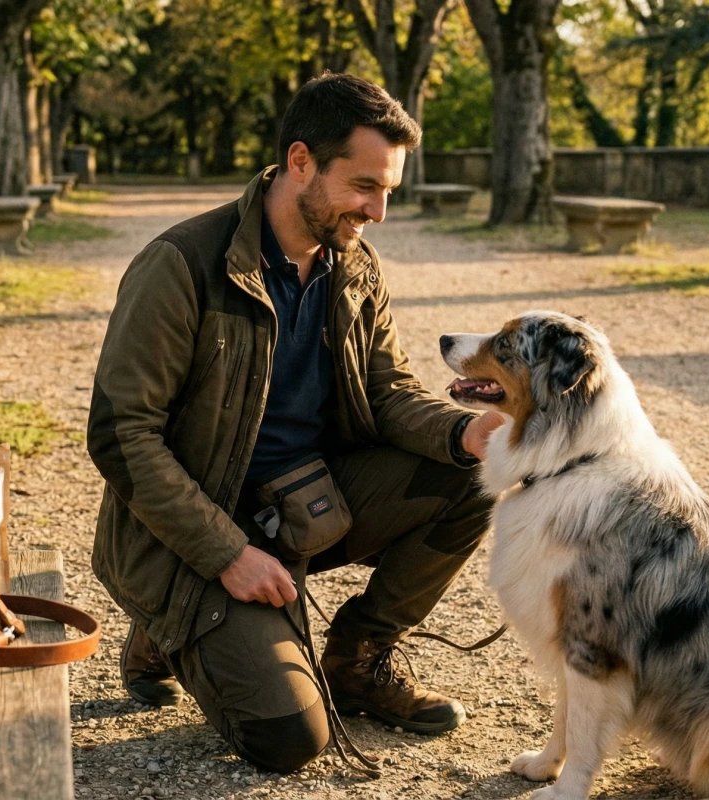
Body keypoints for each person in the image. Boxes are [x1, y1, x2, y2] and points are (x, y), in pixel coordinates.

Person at [86, 72, 506, 774]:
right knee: (289, 740)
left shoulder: (356, 266)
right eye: (364, 186)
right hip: (200, 529)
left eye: (388, 192)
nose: (378, 211)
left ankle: (358, 658)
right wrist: (226, 555)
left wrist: (464, 434)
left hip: (309, 504)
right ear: (301, 161)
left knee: (475, 475)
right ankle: (165, 623)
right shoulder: (181, 264)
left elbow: (387, 390)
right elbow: (120, 435)